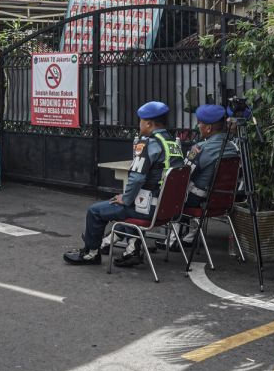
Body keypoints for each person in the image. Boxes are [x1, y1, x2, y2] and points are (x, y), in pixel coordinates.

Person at [64, 101, 185, 266]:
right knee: (128, 206)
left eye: (140, 121)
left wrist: (126, 198)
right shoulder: (173, 144)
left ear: (149, 123)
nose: (139, 124)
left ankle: (91, 254)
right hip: (168, 209)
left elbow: (136, 178)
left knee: (95, 211)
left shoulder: (148, 143)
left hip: (148, 208)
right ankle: (132, 250)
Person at [175, 104, 240, 249]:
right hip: (222, 200)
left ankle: (174, 240)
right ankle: (189, 236)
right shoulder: (233, 147)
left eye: (200, 123)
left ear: (209, 128)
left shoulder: (200, 149)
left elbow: (183, 175)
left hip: (198, 200)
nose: (198, 126)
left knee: (170, 195)